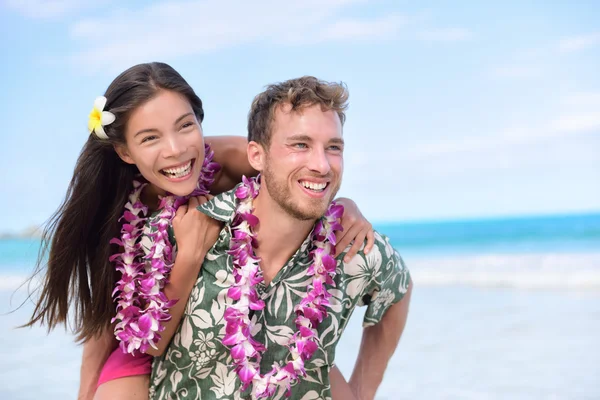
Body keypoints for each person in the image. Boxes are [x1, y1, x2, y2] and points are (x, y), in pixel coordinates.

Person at [22, 62, 375, 400]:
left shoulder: (227, 158)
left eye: (185, 126)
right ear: (124, 151)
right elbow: (106, 325)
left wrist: (344, 205)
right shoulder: (113, 205)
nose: (175, 150)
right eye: (150, 138)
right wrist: (190, 255)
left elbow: (295, 174)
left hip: (222, 333)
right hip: (141, 346)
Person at [149, 76, 413, 400]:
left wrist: (361, 390)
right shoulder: (187, 231)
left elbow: (399, 288)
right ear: (257, 156)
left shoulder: (353, 247)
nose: (321, 165)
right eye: (300, 145)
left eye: (333, 148)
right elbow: (130, 344)